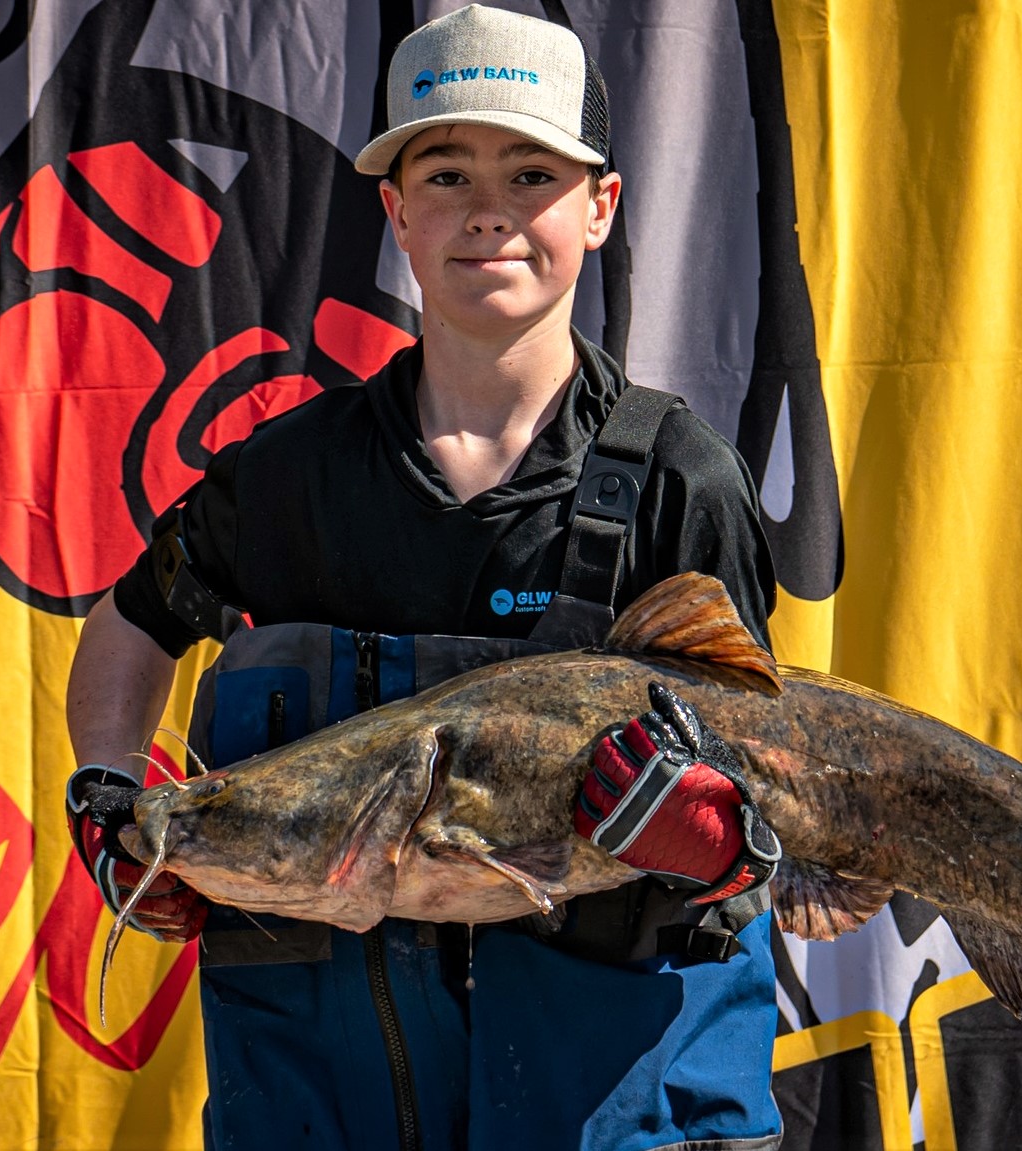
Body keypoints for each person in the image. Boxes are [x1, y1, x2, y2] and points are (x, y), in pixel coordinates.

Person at [64, 7, 783, 1149]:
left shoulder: (680, 484)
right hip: (314, 1109)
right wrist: (106, 795)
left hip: (618, 1111)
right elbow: (131, 623)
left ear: (598, 207)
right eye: (445, 172)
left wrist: (723, 838)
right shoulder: (284, 476)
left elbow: (773, 781)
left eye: (531, 170)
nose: (488, 209)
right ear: (395, 212)